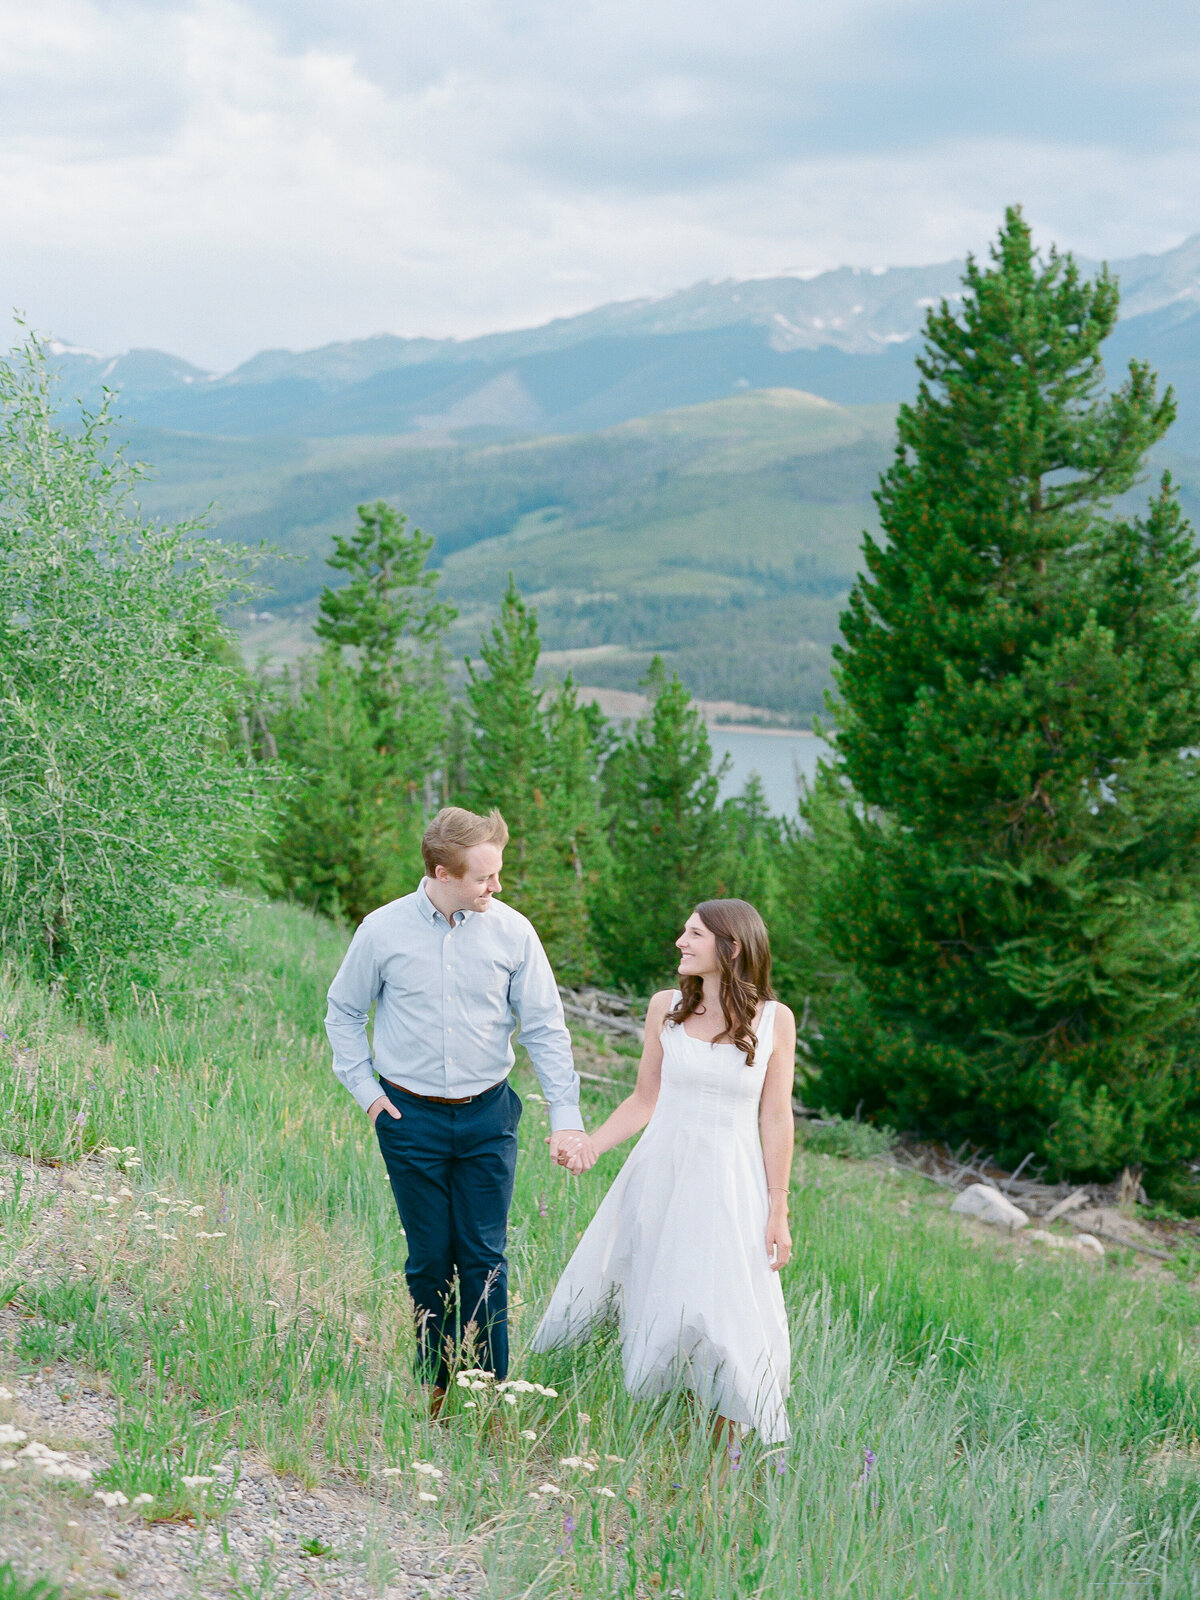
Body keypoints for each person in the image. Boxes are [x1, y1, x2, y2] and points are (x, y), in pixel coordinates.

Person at [325, 805, 595, 1415]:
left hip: (488, 1116)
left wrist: (566, 1116)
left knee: (483, 1258)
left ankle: (486, 1394)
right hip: (407, 1117)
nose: (496, 886)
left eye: (497, 873)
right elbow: (343, 1012)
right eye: (484, 877)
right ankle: (435, 1386)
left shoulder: (513, 932)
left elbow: (545, 1028)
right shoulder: (382, 930)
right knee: (429, 1259)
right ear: (442, 873)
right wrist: (368, 1094)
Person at [533, 898, 795, 1446]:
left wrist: (778, 1208)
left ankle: (723, 1452)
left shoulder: (775, 1020)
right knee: (664, 1300)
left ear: (732, 947)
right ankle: (662, 1428)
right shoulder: (666, 1007)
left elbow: (775, 1116)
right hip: (661, 1176)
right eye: (684, 931)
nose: (681, 941)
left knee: (725, 1310)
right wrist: (591, 1146)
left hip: (731, 1185)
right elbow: (644, 1099)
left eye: (694, 934)